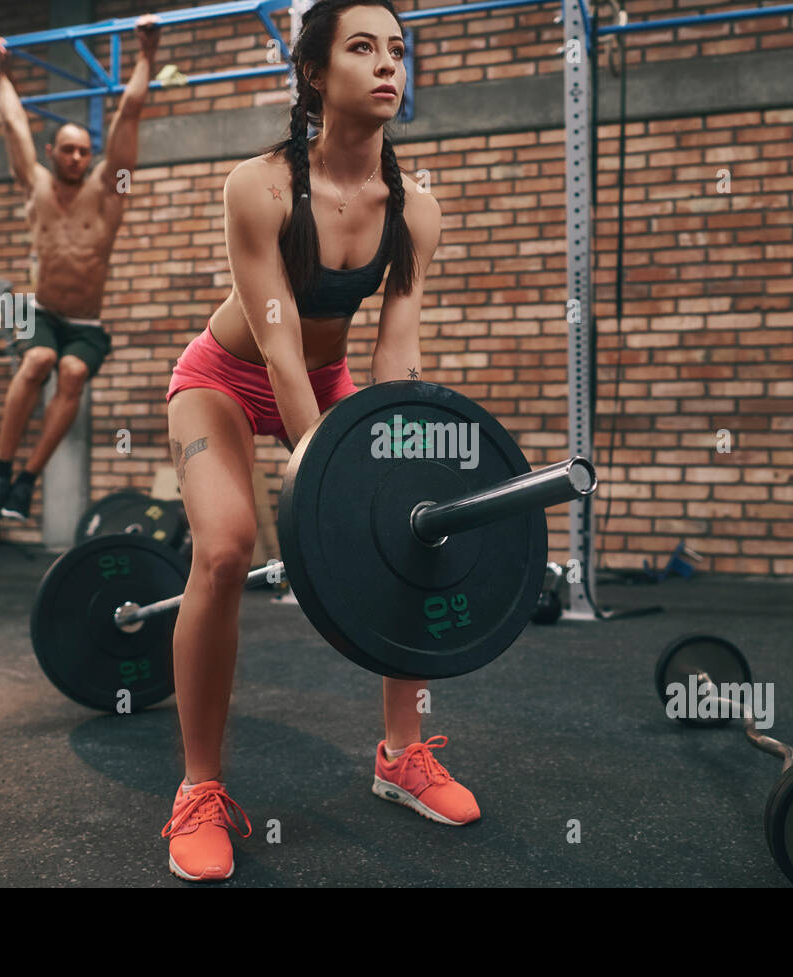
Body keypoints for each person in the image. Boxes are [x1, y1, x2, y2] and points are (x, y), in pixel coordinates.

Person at [161, 0, 473, 883]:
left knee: (414, 530)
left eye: (399, 52)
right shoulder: (257, 187)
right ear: (311, 73)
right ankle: (200, 788)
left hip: (329, 383)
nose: (388, 66)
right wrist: (330, 472)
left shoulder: (414, 208)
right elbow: (277, 342)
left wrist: (395, 471)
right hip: (226, 376)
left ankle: (400, 755)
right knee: (225, 550)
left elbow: (396, 352)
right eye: (363, 48)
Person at [0, 16, 161, 522]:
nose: (77, 156)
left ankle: (26, 482)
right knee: (36, 363)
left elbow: (131, 112)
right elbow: (14, 124)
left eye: (85, 150)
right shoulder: (34, 186)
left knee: (73, 371)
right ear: (53, 152)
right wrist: (1, 72)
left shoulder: (109, 193)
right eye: (68, 149)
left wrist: (147, 51)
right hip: (42, 313)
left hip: (85, 325)